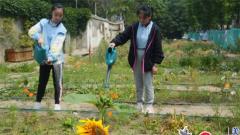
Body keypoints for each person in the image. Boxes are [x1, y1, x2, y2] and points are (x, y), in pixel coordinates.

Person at [109, 5, 164, 113]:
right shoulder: (134, 27)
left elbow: (158, 47)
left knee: (148, 82)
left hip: (148, 58)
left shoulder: (155, 29)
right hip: (136, 56)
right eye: (140, 17)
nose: (141, 20)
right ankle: (139, 102)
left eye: (143, 18)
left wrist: (155, 64)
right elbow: (123, 36)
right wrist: (114, 42)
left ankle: (149, 105)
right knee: (138, 81)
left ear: (149, 17)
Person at [28, 3, 67, 110]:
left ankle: (57, 104)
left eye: (60, 16)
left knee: (57, 82)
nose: (57, 18)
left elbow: (56, 46)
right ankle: (38, 102)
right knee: (42, 81)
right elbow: (31, 32)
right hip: (44, 58)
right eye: (56, 15)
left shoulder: (62, 30)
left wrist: (50, 58)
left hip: (56, 60)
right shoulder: (43, 23)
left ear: (62, 16)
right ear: (52, 13)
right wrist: (38, 36)